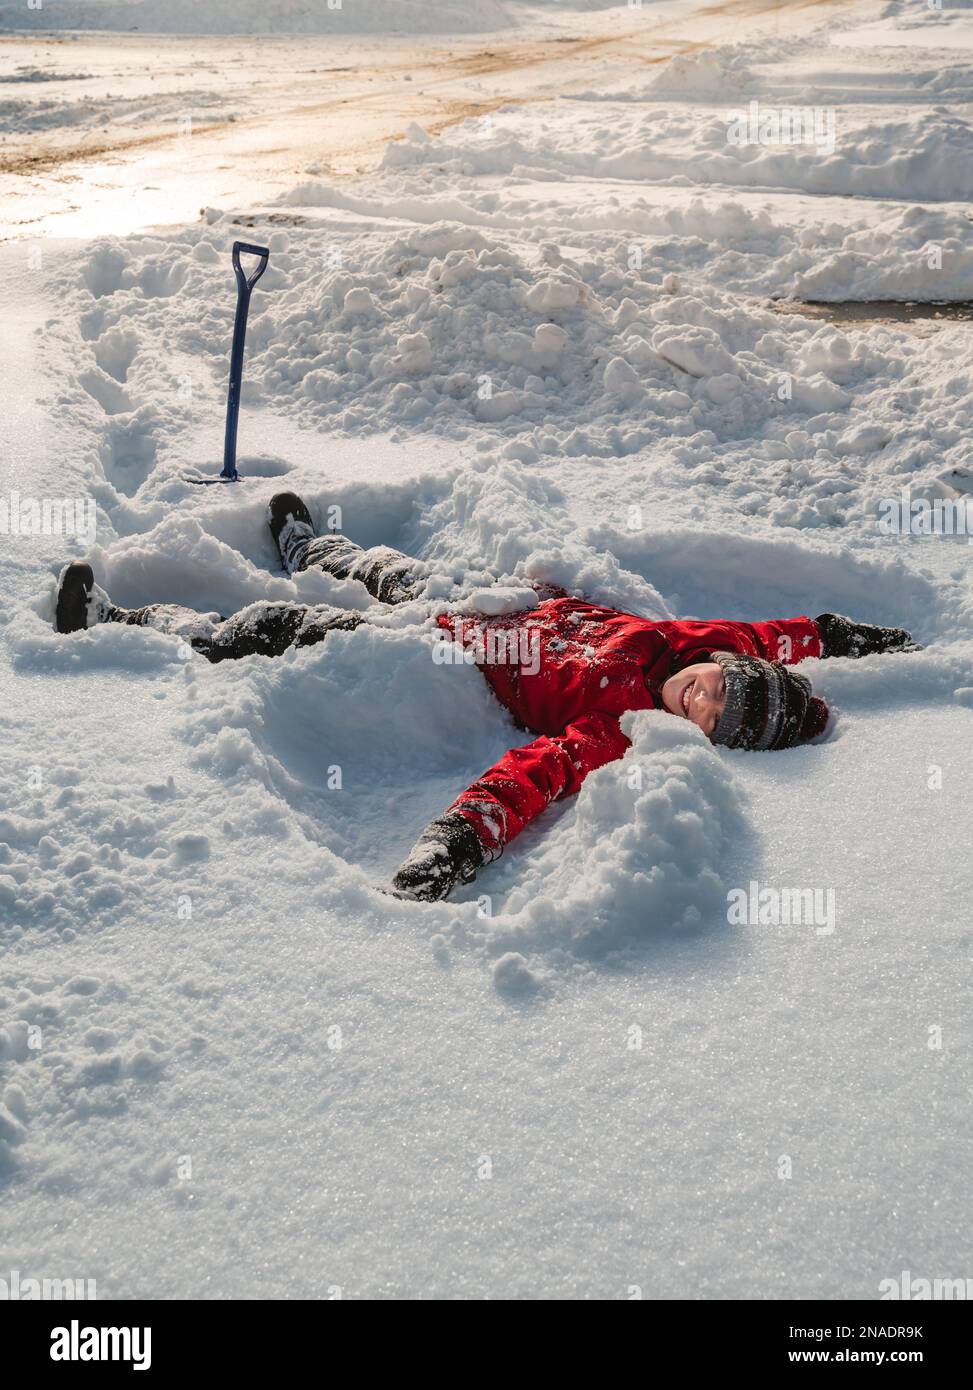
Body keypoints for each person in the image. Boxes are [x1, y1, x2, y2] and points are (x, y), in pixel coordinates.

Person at [53, 493, 919, 901]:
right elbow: (786, 634)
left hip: (445, 657)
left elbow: (531, 774)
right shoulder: (698, 643)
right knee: (380, 569)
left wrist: (457, 841)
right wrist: (857, 636)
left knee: (286, 626)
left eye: (712, 719)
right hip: (488, 603)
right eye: (727, 687)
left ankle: (128, 620)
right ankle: (309, 541)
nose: (703, 696)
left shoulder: (615, 731)